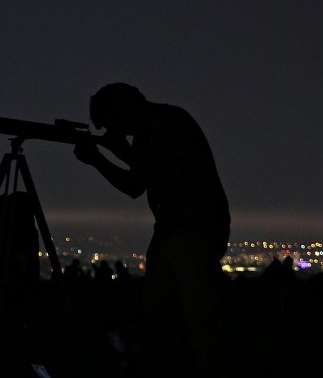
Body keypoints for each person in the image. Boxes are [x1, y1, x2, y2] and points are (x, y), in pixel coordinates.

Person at [73, 83, 233, 377]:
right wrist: (119, 152)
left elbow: (136, 183)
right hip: (178, 229)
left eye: (114, 123)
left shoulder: (163, 127)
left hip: (189, 230)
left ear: (125, 111)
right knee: (167, 314)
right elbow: (147, 172)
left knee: (195, 317)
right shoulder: (163, 124)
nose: (116, 131)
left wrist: (98, 159)